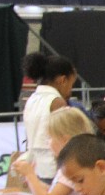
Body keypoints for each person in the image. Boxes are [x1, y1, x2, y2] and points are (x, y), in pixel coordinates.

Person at [22, 52, 78, 182]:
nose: (70, 91)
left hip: (36, 166)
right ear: (62, 80)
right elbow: (65, 138)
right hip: (53, 167)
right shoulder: (57, 102)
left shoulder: (31, 99)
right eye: (71, 85)